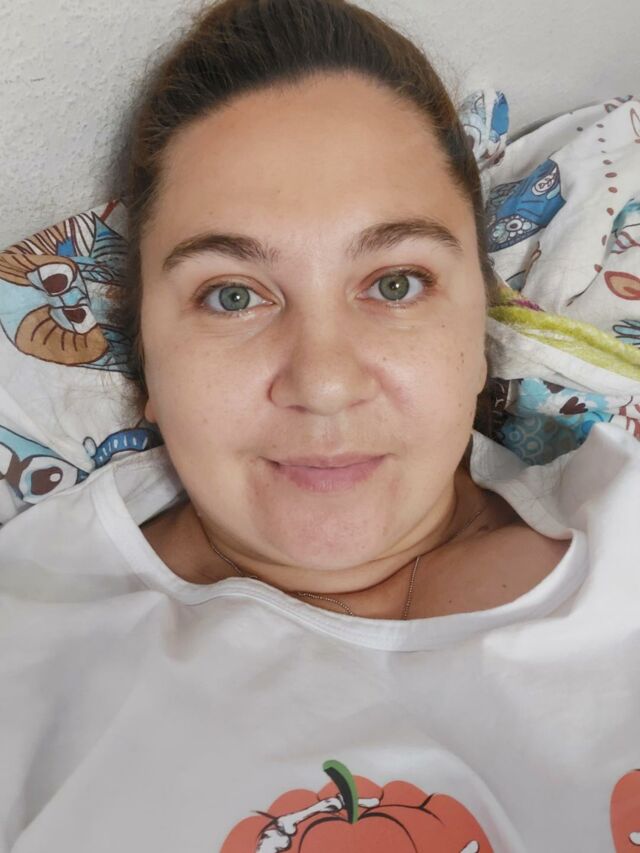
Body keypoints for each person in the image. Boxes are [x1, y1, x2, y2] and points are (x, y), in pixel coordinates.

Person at [0, 0, 638, 850]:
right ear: (147, 361)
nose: (326, 384)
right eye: (233, 295)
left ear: (479, 330)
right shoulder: (27, 656)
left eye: (396, 283)